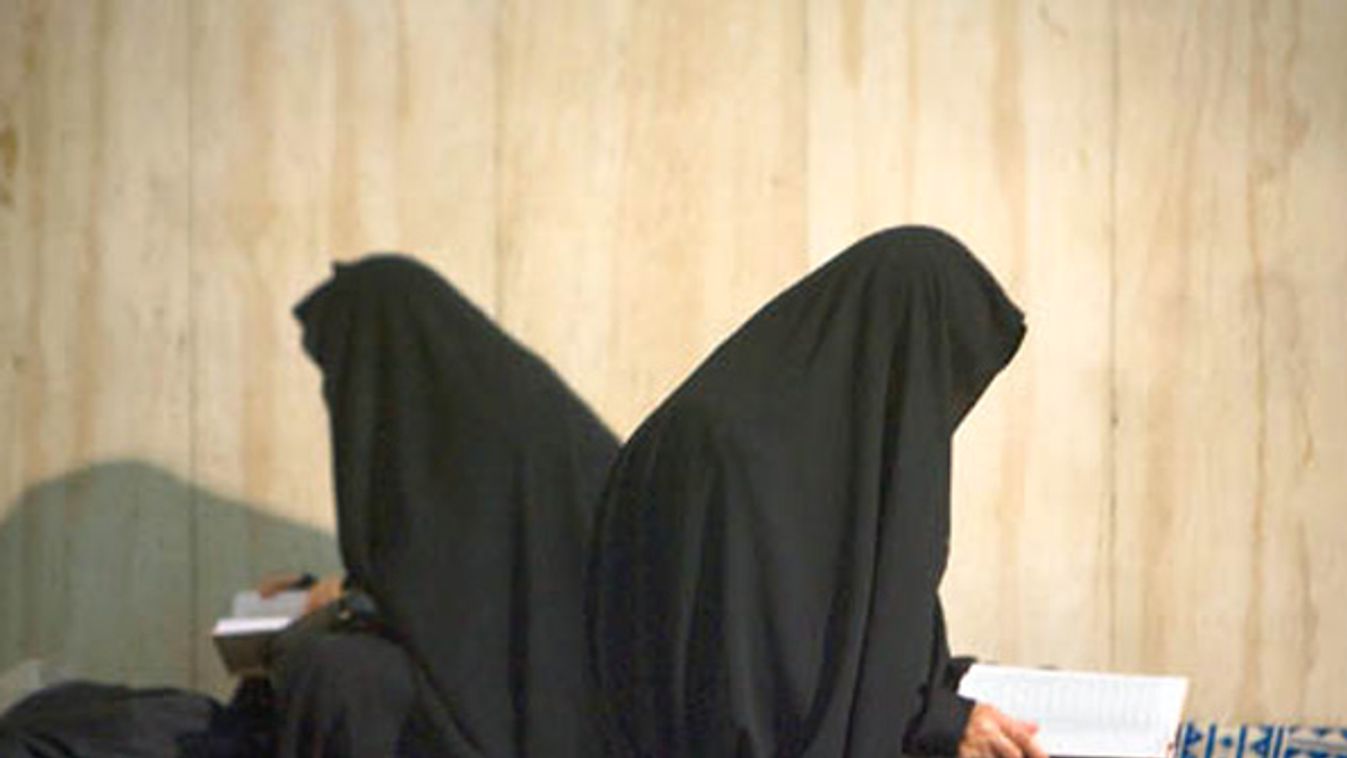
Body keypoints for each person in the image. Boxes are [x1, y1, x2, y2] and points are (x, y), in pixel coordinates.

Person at [586, 226, 1045, 758]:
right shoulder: (746, 468)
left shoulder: (746, 437)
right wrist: (938, 725)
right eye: (939, 383)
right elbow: (778, 703)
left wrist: (944, 709)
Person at [282, 255, 620, 755]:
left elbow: (458, 623)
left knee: (329, 673)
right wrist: (332, 594)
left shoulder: (492, 436)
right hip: (541, 701)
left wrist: (344, 609)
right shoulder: (489, 407)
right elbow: (452, 588)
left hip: (551, 718)